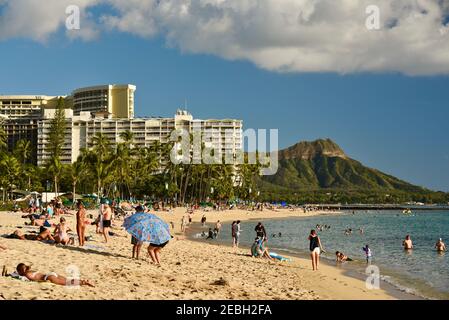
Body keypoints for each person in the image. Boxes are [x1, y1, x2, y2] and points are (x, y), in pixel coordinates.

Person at [16, 263, 94, 287]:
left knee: (67, 283)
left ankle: (84, 283)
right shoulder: (30, 270)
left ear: (21, 271)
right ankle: (83, 280)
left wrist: (44, 281)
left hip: (48, 277)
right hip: (51, 274)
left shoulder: (26, 274)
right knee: (67, 280)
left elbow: (34, 280)